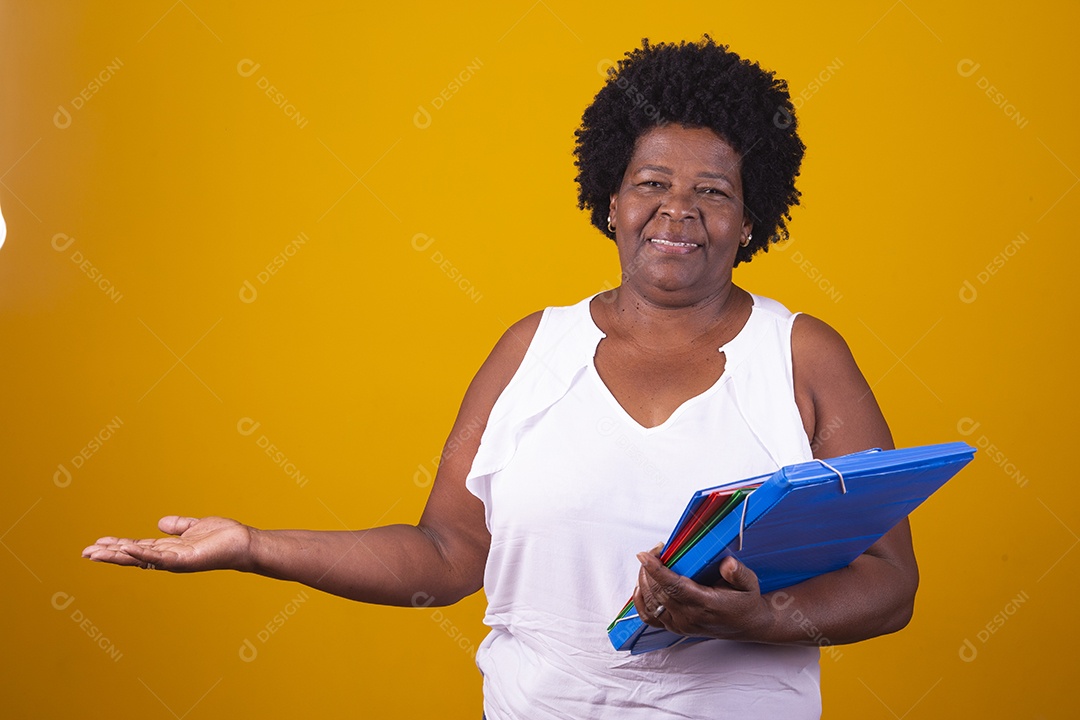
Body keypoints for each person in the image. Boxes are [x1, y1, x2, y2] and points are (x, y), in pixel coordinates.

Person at [83, 37, 918, 719]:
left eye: (713, 191)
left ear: (751, 215)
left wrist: (763, 618)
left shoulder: (802, 356)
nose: (678, 211)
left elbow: (889, 583)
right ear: (611, 199)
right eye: (650, 184)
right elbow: (447, 555)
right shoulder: (532, 351)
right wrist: (254, 547)